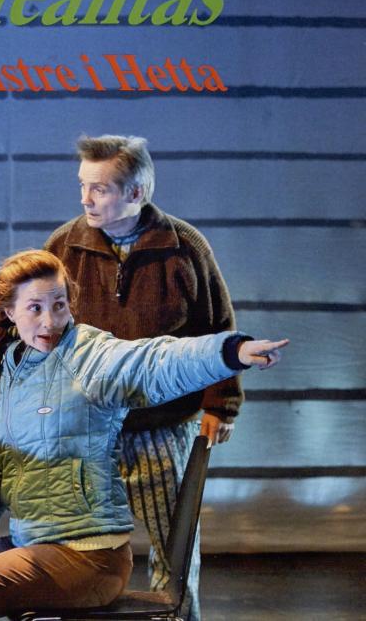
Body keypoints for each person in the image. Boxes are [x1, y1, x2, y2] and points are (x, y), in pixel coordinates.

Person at [0, 250, 286, 621]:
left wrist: (231, 352)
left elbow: (156, 362)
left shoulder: (90, 357)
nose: (49, 321)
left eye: (59, 305)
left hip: (90, 558)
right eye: (35, 308)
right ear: (10, 312)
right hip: (34, 542)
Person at [45, 134, 236, 620]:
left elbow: (216, 327)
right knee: (74, 549)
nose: (85, 199)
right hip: (86, 428)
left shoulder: (183, 247)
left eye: (100, 188)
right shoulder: (64, 246)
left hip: (160, 426)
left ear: (136, 192)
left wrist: (220, 404)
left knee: (175, 552)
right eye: (82, 186)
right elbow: (37, 328)